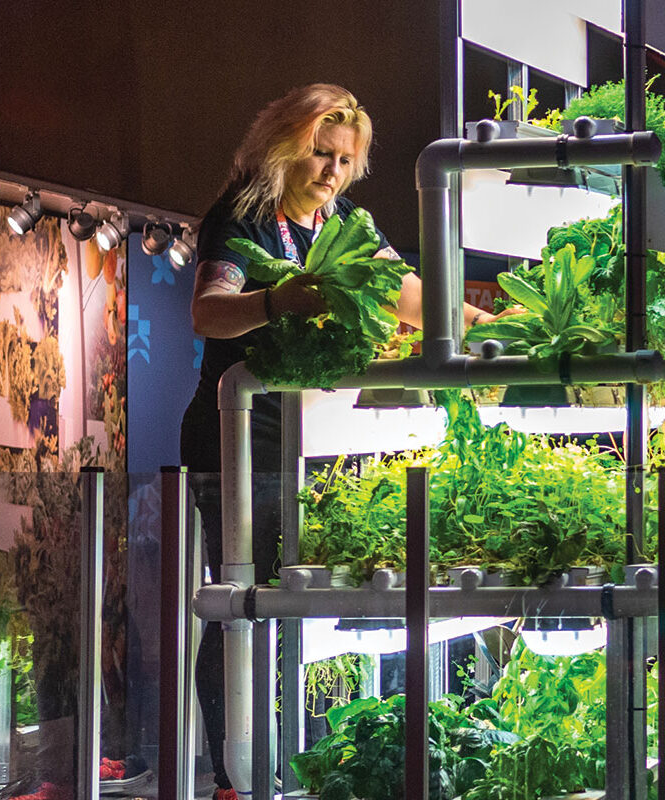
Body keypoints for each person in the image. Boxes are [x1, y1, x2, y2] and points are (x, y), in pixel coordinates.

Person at [180, 83, 515, 800]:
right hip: (241, 442)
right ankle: (235, 775)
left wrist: (486, 327)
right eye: (320, 154)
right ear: (283, 148)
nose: (332, 172)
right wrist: (277, 300)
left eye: (344, 160)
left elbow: (404, 291)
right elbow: (209, 312)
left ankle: (288, 763)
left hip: (315, 444)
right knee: (245, 603)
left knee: (295, 600)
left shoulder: (344, 224)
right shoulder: (240, 219)